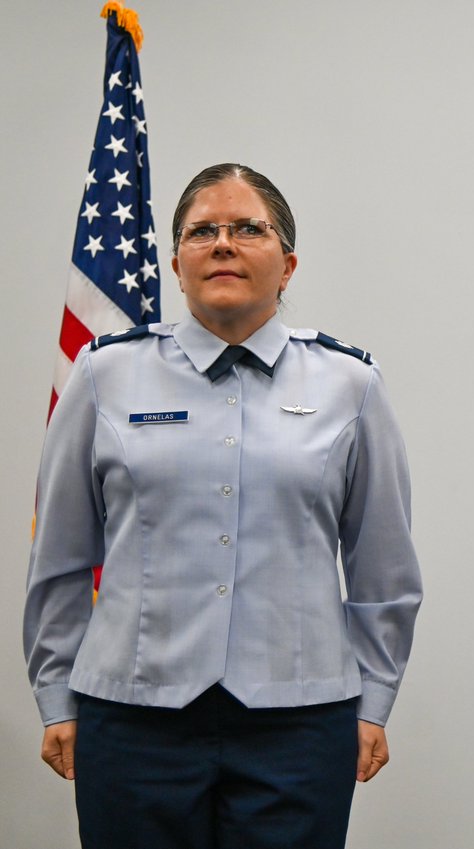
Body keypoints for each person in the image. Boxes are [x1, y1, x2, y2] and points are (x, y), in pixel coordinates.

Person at [24, 163, 423, 849]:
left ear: (288, 263)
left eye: (247, 228)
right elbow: (60, 555)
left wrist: (375, 695)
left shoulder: (349, 384)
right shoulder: (104, 374)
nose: (223, 243)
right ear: (176, 263)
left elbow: (382, 564)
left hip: (298, 723)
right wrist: (56, 689)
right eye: (201, 230)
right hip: (133, 715)